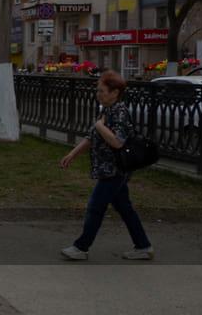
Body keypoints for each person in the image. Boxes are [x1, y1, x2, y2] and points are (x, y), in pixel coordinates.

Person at [59, 70, 153, 261]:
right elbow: (91, 137)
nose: (98, 94)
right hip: (109, 169)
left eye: (102, 91)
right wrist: (72, 154)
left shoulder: (120, 112)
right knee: (125, 208)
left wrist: (100, 126)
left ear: (115, 92)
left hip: (115, 170)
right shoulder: (107, 110)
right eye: (98, 90)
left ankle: (81, 247)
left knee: (95, 207)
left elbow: (117, 142)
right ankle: (143, 246)